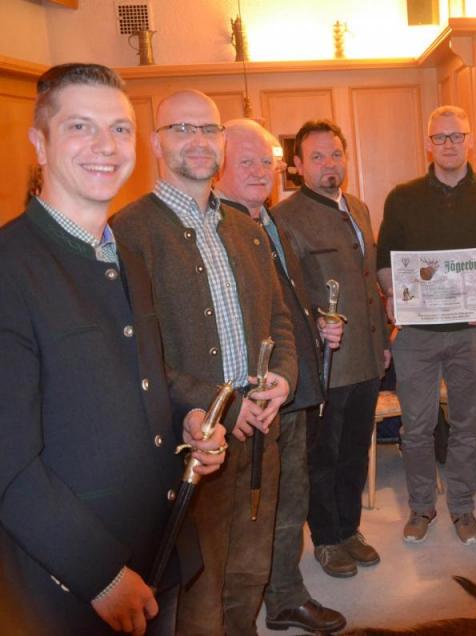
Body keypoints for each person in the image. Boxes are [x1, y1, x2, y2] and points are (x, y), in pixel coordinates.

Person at [0, 64, 226, 636]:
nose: (106, 145)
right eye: (80, 126)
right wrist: (98, 575)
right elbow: (8, 465)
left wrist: (187, 417)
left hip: (158, 548)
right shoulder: (10, 267)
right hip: (69, 583)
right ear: (39, 144)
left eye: (120, 129)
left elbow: (139, 376)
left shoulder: (123, 253)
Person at [113, 90, 297, 636]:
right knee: (199, 584)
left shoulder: (246, 228)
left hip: (260, 431)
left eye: (209, 130)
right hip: (191, 441)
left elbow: (279, 319)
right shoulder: (128, 233)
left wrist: (284, 377)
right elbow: (133, 355)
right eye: (181, 129)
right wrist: (218, 404)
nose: (198, 141)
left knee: (249, 567)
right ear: (155, 143)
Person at [213, 118, 347, 633]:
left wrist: (318, 324)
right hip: (255, 401)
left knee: (291, 500)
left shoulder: (267, 219)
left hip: (295, 387)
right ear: (219, 167)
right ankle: (238, 614)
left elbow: (283, 300)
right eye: (244, 161)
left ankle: (285, 596)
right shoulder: (217, 229)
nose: (259, 171)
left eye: (266, 162)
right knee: (253, 515)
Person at [377, 105, 476, 544]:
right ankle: (421, 507)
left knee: (467, 427)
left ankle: (462, 507)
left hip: (470, 331)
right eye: (440, 137)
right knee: (416, 429)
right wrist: (393, 296)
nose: (449, 144)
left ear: (470, 141)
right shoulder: (402, 196)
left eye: (457, 136)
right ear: (428, 144)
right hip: (415, 335)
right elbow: (384, 262)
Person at [272, 119, 389, 580]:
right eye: (317, 157)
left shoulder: (358, 208)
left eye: (336, 155)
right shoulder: (285, 218)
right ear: (298, 166)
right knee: (323, 457)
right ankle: (325, 538)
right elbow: (284, 293)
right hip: (325, 364)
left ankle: (349, 529)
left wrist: (383, 344)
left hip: (367, 357)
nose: (329, 165)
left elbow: (369, 283)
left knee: (356, 450)